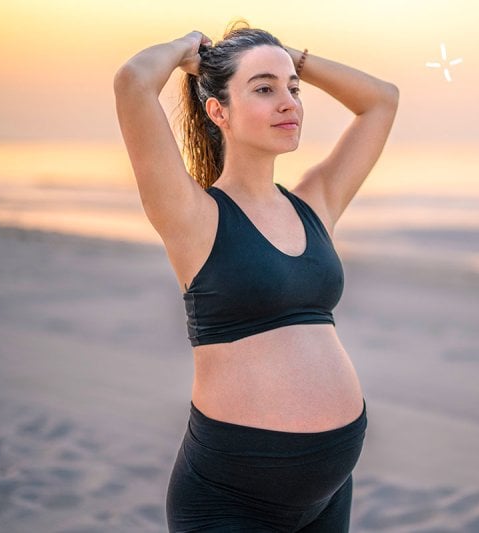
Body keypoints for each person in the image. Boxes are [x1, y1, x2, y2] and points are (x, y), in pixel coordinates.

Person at [113, 20, 398, 532]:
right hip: (231, 500)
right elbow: (134, 80)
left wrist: (287, 56)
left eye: (293, 89)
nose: (289, 102)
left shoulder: (316, 202)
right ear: (217, 110)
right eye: (264, 89)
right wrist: (188, 49)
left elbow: (382, 100)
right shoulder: (193, 217)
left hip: (329, 491)